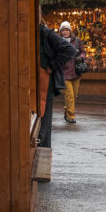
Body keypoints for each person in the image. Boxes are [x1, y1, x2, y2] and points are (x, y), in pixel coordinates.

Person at [38, 19, 76, 147]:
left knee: (44, 121)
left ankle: (43, 148)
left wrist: (51, 66)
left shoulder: (46, 34)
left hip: (45, 84)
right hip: (37, 83)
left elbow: (70, 50)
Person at [58, 21, 86, 124]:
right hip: (64, 73)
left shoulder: (77, 41)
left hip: (76, 72)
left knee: (74, 95)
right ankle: (71, 116)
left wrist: (81, 58)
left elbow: (83, 52)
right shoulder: (58, 42)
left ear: (70, 30)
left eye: (66, 30)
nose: (65, 32)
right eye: (63, 30)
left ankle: (66, 110)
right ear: (60, 32)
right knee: (69, 95)